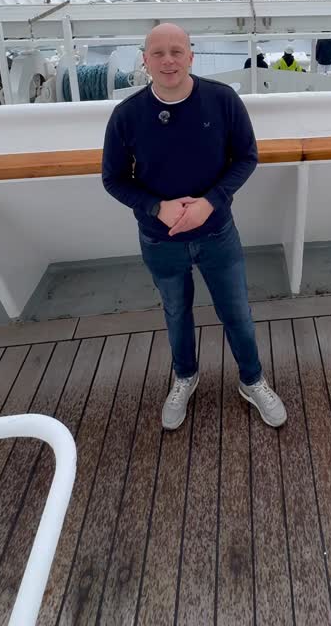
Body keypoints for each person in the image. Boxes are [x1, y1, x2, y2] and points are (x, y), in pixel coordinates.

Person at [101, 22, 286, 431]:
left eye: (176, 51)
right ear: (145, 60)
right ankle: (185, 376)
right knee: (176, 314)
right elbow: (113, 179)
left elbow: (246, 157)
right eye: (158, 53)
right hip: (160, 239)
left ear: (191, 56)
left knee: (237, 312)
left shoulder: (222, 100)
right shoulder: (127, 115)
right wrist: (156, 207)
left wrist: (210, 203)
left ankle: (252, 380)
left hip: (217, 233)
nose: (168, 60)